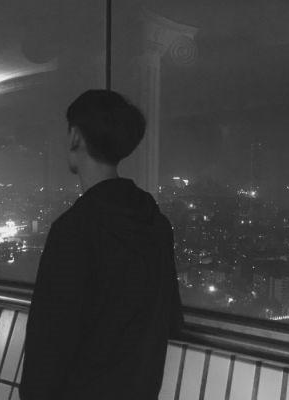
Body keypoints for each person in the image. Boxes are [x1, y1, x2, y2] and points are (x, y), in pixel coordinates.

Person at [19, 90, 183, 400]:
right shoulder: (157, 225)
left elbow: (49, 344)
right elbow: (171, 320)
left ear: (75, 136)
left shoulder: (74, 230)